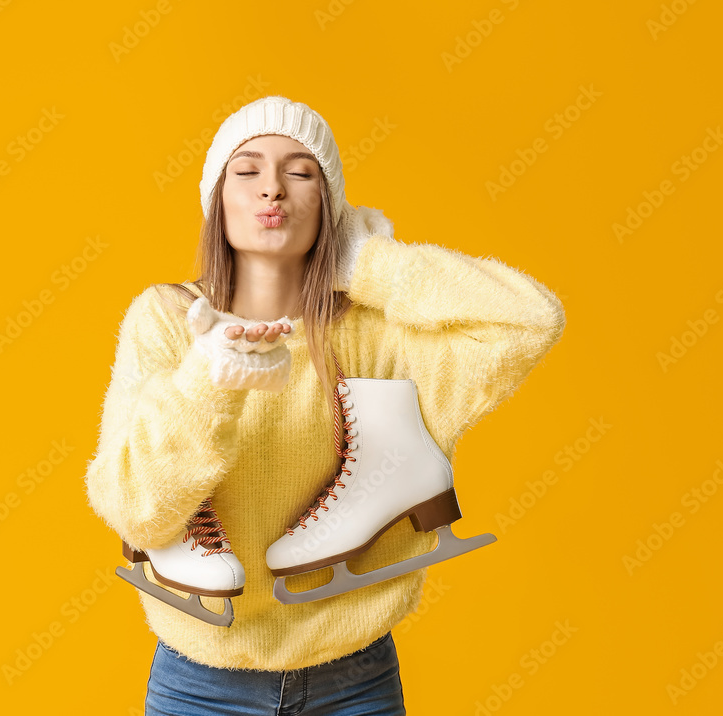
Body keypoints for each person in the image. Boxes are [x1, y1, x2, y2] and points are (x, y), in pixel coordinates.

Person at [84, 95, 566, 715]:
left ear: (329, 203)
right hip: (202, 682)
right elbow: (134, 507)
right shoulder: (168, 320)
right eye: (248, 170)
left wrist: (371, 264)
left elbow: (530, 320)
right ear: (217, 200)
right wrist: (209, 377)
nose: (272, 191)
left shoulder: (378, 336)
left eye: (301, 172)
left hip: (354, 678)